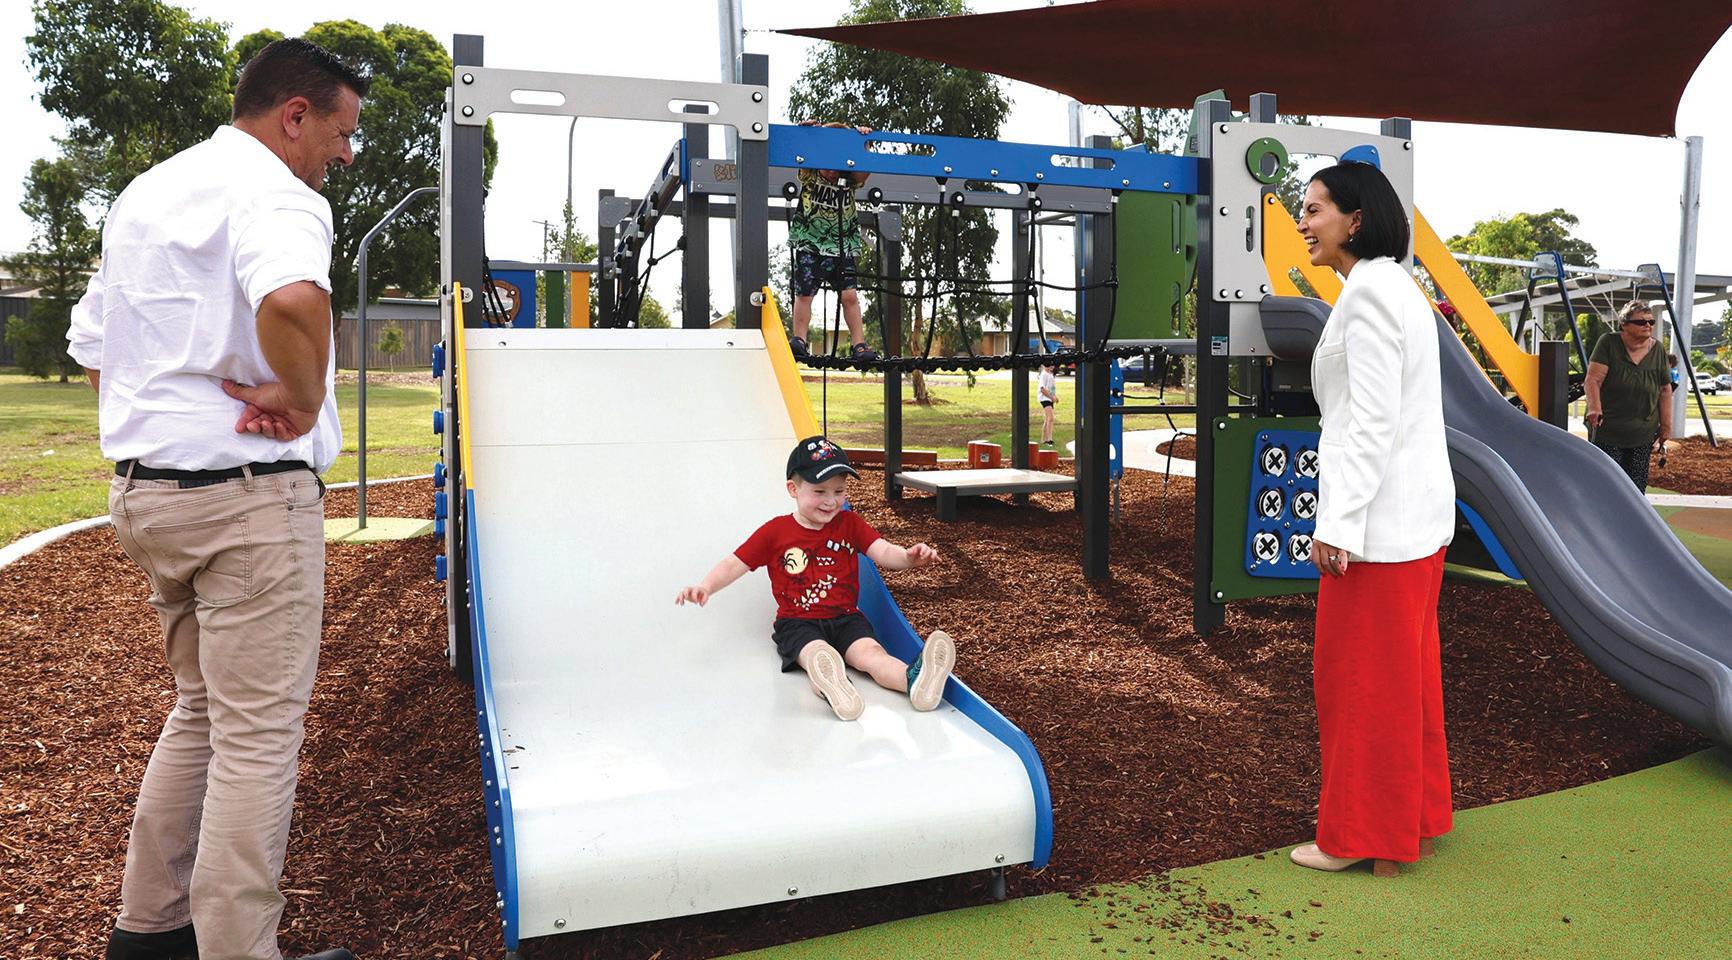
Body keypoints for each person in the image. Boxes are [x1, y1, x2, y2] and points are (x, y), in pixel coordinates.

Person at [66, 38, 367, 960]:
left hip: (148, 496)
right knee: (258, 738)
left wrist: (178, 407)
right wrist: (302, 399)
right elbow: (294, 301)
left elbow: (92, 347)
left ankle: (149, 935)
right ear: (295, 115)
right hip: (246, 501)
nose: (346, 153)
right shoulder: (278, 192)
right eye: (342, 131)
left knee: (201, 711)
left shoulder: (147, 193)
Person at [1292, 161, 1456, 878]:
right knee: (1405, 681)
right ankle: (1413, 817)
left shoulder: (1369, 297)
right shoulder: (1394, 288)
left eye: (1315, 209)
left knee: (1358, 685)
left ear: (1356, 220)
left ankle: (1358, 833)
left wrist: (1339, 523)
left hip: (1382, 530)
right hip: (1412, 522)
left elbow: (1370, 422)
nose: (1304, 222)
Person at [676, 437, 954, 720]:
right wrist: (705, 586)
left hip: (846, 618)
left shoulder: (850, 524)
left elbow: (883, 552)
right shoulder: (775, 532)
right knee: (816, 654)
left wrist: (908, 557)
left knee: (871, 654)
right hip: (797, 623)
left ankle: (914, 681)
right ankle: (835, 685)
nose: (831, 501)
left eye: (839, 491)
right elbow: (734, 563)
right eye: (820, 491)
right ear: (793, 489)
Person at [788, 121, 877, 361]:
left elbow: (865, 169)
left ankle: (859, 344)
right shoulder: (809, 173)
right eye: (826, 161)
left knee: (850, 297)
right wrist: (807, 133)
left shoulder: (850, 177)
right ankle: (799, 339)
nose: (830, 170)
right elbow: (800, 150)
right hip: (811, 243)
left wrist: (862, 143)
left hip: (842, 246)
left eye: (836, 163)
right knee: (804, 294)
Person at [1584, 301, 1672, 490]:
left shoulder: (1658, 349)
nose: (1647, 325)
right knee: (1607, 484)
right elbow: (1593, 380)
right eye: (1641, 322)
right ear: (1624, 324)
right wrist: (1594, 407)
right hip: (1608, 429)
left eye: (1651, 321)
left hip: (1643, 431)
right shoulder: (1608, 343)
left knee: (1636, 486)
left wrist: (1666, 425)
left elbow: (1665, 389)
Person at [1038, 364, 1058, 447]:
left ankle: (1044, 439)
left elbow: (1051, 388)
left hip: (1049, 398)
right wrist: (1051, 397)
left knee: (1047, 419)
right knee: (1051, 418)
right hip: (1044, 398)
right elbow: (1042, 389)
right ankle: (1049, 439)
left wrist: (1054, 396)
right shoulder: (1044, 374)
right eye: (1050, 364)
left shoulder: (1050, 374)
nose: (1052, 366)